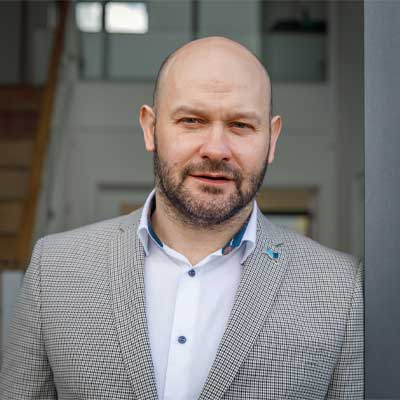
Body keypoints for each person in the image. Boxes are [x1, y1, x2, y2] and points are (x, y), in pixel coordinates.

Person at [0, 37, 363, 399]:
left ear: (272, 138)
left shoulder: (341, 290)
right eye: (192, 120)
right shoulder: (55, 268)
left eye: (240, 125)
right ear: (149, 128)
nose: (216, 150)